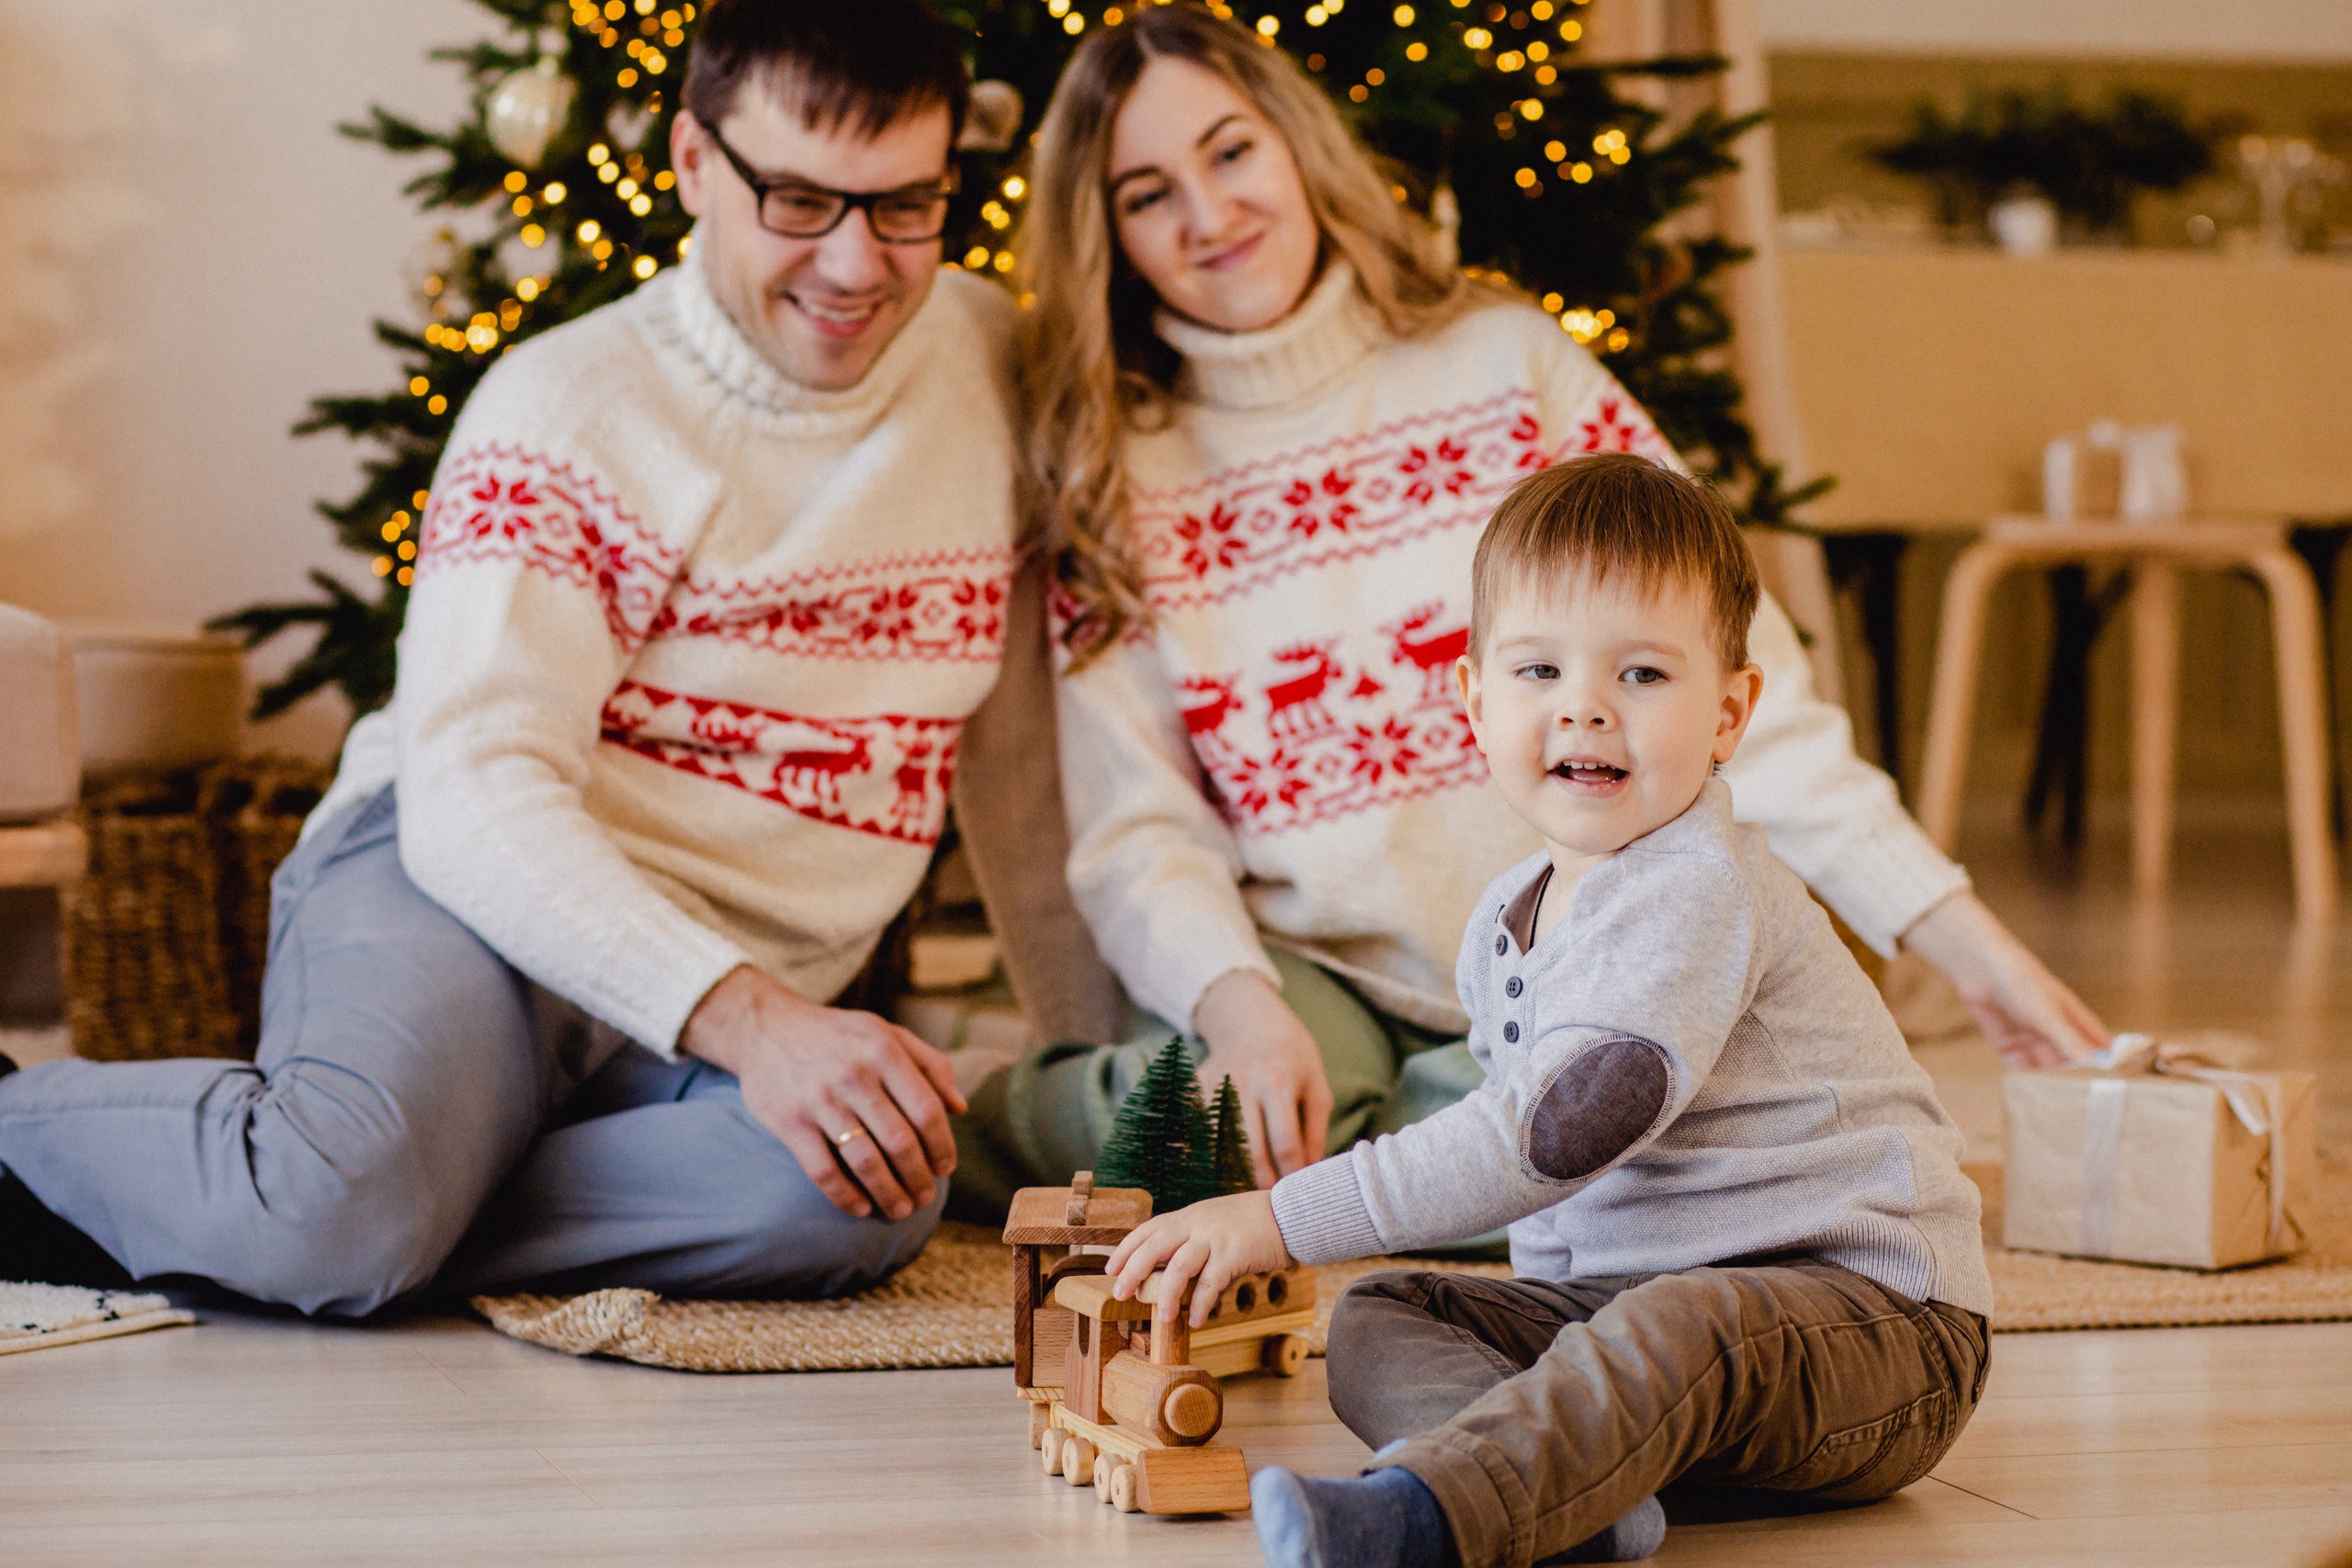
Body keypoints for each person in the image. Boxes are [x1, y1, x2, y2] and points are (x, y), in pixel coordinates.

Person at [955, 3, 2103, 1211]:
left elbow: (1732, 689)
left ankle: (1414, 1148)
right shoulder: (1114, 464)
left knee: (1621, 1155)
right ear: (1109, 233)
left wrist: (1963, 940)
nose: (1208, 213)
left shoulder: (1508, 365)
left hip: (1578, 942)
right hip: (1306, 974)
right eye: (1147, 195)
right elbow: (1136, 830)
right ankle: (961, 1120)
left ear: (1295, 144)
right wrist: (1237, 1005)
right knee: (1232, 1130)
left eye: (1231, 151)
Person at [0, 0, 1026, 1314]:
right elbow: (476, 789)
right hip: (467, 890)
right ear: (694, 161)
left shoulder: (990, 362)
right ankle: (216, 1171)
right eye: (799, 201)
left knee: (860, 1183)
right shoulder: (569, 406)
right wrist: (755, 1022)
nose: (854, 263)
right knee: (347, 1200)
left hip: (716, 985)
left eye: (904, 206)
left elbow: (1064, 736)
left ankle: (362, 1207)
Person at [1105, 454, 1993, 1568]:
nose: (1584, 706)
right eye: (1538, 669)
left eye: (1642, 674)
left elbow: (1547, 1138)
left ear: (1729, 714)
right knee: (1384, 1315)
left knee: (1683, 1322)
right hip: (1641, 1320)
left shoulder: (1694, 891)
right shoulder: (1506, 914)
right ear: (1475, 701)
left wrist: (1282, 1219)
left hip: (1875, 1330)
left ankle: (1436, 1514)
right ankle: (1561, 1490)